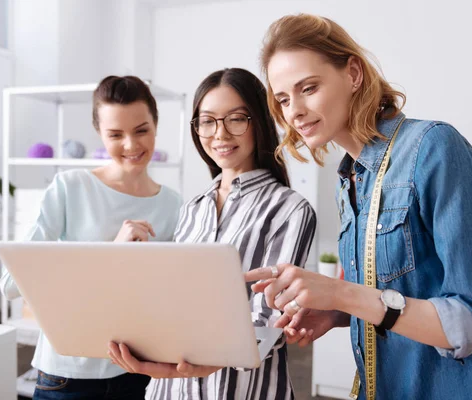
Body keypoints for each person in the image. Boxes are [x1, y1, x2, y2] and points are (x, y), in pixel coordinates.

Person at [245, 14, 472, 399]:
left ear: (353, 73)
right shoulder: (350, 180)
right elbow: (403, 291)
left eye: (309, 88)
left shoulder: (434, 148)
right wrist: (338, 314)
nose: (294, 111)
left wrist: (341, 295)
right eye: (283, 99)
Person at [107, 68, 317, 399]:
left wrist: (208, 357)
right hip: (173, 389)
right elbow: (175, 302)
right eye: (207, 121)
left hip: (243, 390)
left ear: (258, 122)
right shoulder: (193, 208)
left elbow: (270, 320)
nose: (219, 134)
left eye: (235, 119)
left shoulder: (290, 209)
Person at [0, 75, 183, 400]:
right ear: (99, 133)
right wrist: (112, 253)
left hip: (138, 372)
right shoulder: (70, 188)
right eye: (115, 134)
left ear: (156, 124)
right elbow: (11, 284)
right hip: (68, 375)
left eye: (141, 130)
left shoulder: (173, 205)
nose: (131, 145)